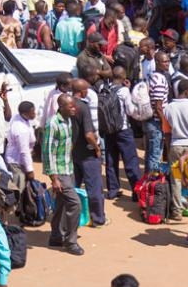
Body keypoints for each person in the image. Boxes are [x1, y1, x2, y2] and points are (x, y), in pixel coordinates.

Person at [43, 94, 84, 255]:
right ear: (61, 107)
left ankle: (55, 236)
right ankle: (70, 241)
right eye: (70, 106)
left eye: (74, 105)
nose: (74, 108)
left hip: (68, 169)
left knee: (61, 204)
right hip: (59, 173)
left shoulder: (68, 121)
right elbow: (47, 152)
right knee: (75, 204)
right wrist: (54, 178)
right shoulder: (52, 124)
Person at [164, 78, 188, 221]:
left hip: (175, 145)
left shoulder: (168, 108)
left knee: (176, 180)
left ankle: (177, 211)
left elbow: (167, 133)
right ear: (187, 91)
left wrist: (169, 150)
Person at [70, 77, 106, 227]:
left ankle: (75, 216)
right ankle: (97, 218)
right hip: (87, 153)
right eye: (85, 90)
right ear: (81, 91)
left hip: (73, 153)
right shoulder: (83, 107)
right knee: (94, 188)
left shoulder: (65, 105)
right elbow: (89, 134)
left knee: (74, 187)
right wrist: (97, 148)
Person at [106, 66, 142, 200]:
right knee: (130, 161)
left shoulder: (105, 88)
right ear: (123, 77)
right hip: (123, 130)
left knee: (111, 160)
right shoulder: (124, 91)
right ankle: (136, 191)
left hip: (109, 130)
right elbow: (131, 111)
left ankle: (113, 190)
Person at [145, 51, 172, 174]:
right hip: (156, 122)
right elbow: (158, 106)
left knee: (150, 153)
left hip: (150, 121)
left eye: (168, 61)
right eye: (164, 61)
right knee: (155, 156)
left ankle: (147, 182)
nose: (167, 64)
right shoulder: (160, 80)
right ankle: (152, 185)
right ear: (157, 62)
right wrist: (164, 123)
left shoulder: (151, 76)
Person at [4, 101, 37, 192]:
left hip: (21, 160)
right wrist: (30, 170)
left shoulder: (19, 118)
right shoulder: (21, 130)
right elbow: (24, 151)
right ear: (25, 114)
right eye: (32, 112)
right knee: (19, 190)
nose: (35, 113)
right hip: (16, 162)